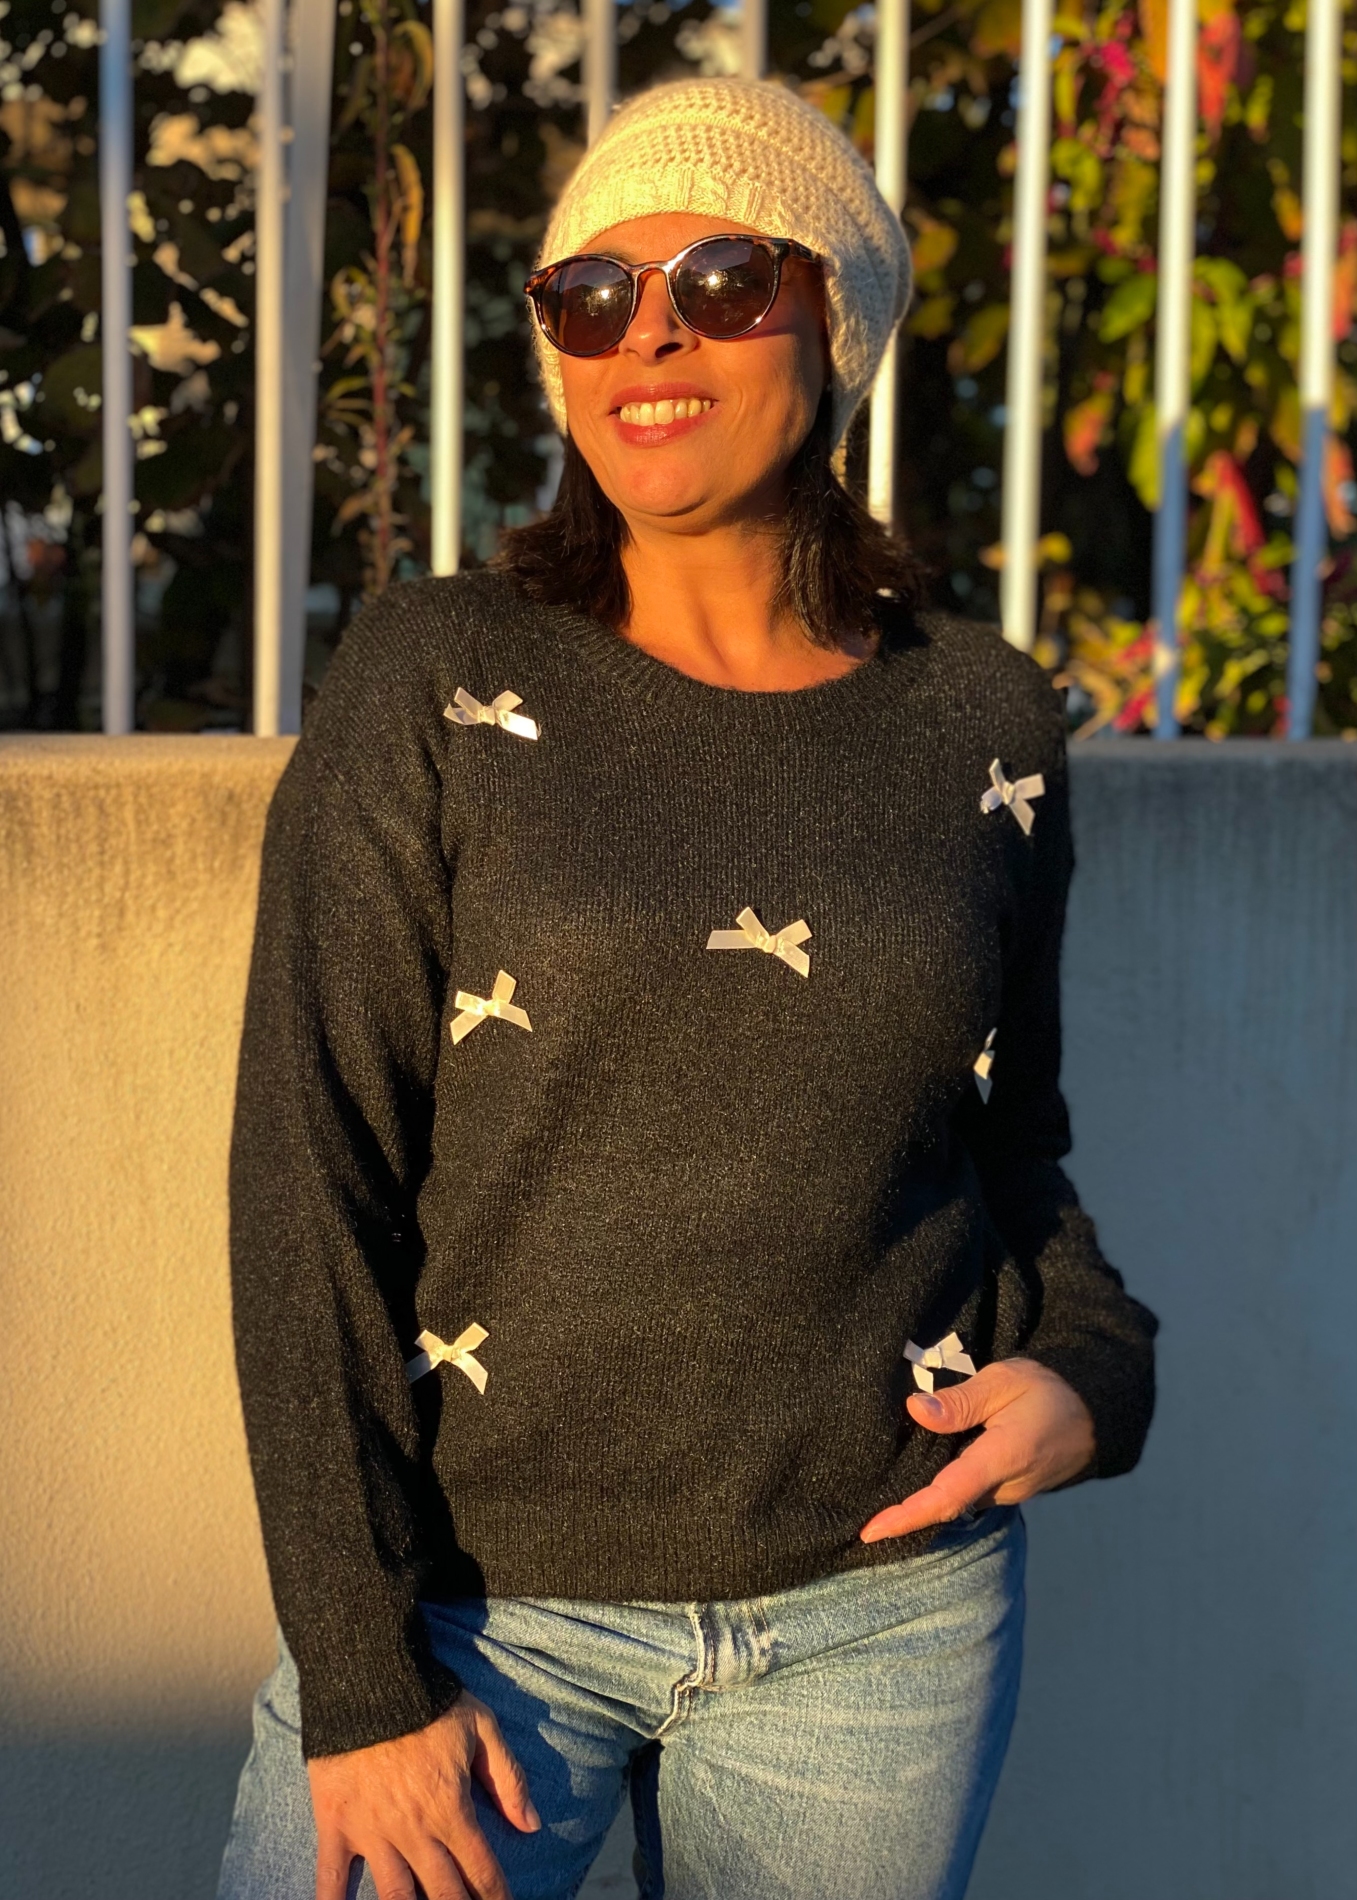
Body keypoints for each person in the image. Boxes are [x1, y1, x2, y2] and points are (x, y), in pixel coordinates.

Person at [219, 76, 1157, 1900]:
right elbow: (307, 1172)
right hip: (485, 1608)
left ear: (836, 321)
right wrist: (358, 1675)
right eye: (589, 298)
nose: (646, 336)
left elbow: (1004, 1141)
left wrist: (1090, 1371)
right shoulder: (439, 673)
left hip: (883, 1616)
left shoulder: (980, 714)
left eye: (721, 281)